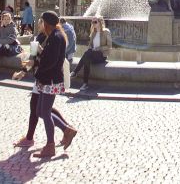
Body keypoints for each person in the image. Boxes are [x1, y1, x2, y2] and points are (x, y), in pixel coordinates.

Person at [13, 20, 77, 153]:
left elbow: (49, 59)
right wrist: (23, 72)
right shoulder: (40, 37)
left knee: (41, 109)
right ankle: (66, 129)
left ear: (46, 24)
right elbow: (32, 57)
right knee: (41, 109)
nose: (39, 24)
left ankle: (39, 139)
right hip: (40, 77)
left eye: (41, 22)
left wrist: (40, 54)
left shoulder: (56, 37)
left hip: (46, 78)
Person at [71, 16, 112, 91]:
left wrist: (98, 48)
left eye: (95, 22)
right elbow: (90, 44)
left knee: (87, 54)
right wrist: (90, 47)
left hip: (102, 55)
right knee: (87, 58)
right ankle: (85, 84)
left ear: (100, 22)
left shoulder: (106, 32)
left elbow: (109, 46)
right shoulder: (93, 32)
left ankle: (75, 72)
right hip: (92, 54)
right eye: (92, 22)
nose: (93, 24)